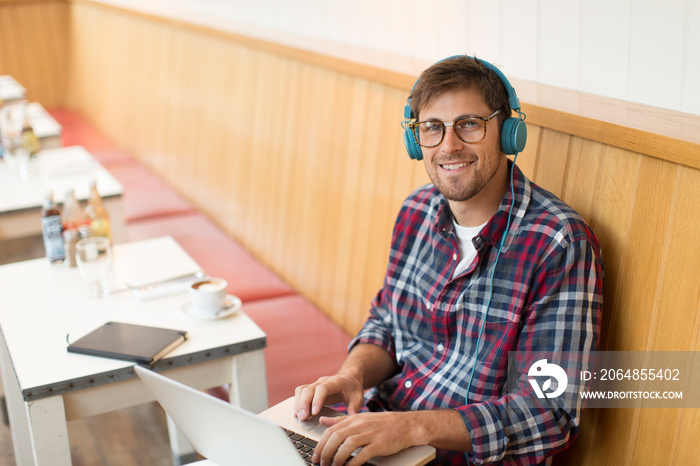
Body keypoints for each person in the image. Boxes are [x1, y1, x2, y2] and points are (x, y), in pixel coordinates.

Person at [294, 55, 603, 465]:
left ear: (509, 133)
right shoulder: (417, 210)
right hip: (381, 436)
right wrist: (351, 376)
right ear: (414, 139)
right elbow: (387, 324)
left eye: (470, 124)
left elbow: (549, 412)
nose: (449, 145)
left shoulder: (557, 242)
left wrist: (409, 427)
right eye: (432, 128)